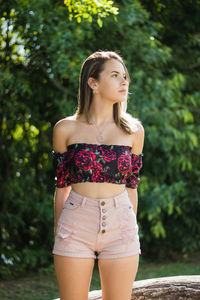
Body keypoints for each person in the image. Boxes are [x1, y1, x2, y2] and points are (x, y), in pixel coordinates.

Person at [51, 50, 144, 300]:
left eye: (124, 75)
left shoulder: (134, 131)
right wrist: (59, 232)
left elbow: (132, 187)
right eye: (115, 75)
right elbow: (61, 187)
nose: (124, 81)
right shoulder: (65, 129)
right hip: (75, 224)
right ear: (93, 83)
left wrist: (129, 227)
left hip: (121, 224)